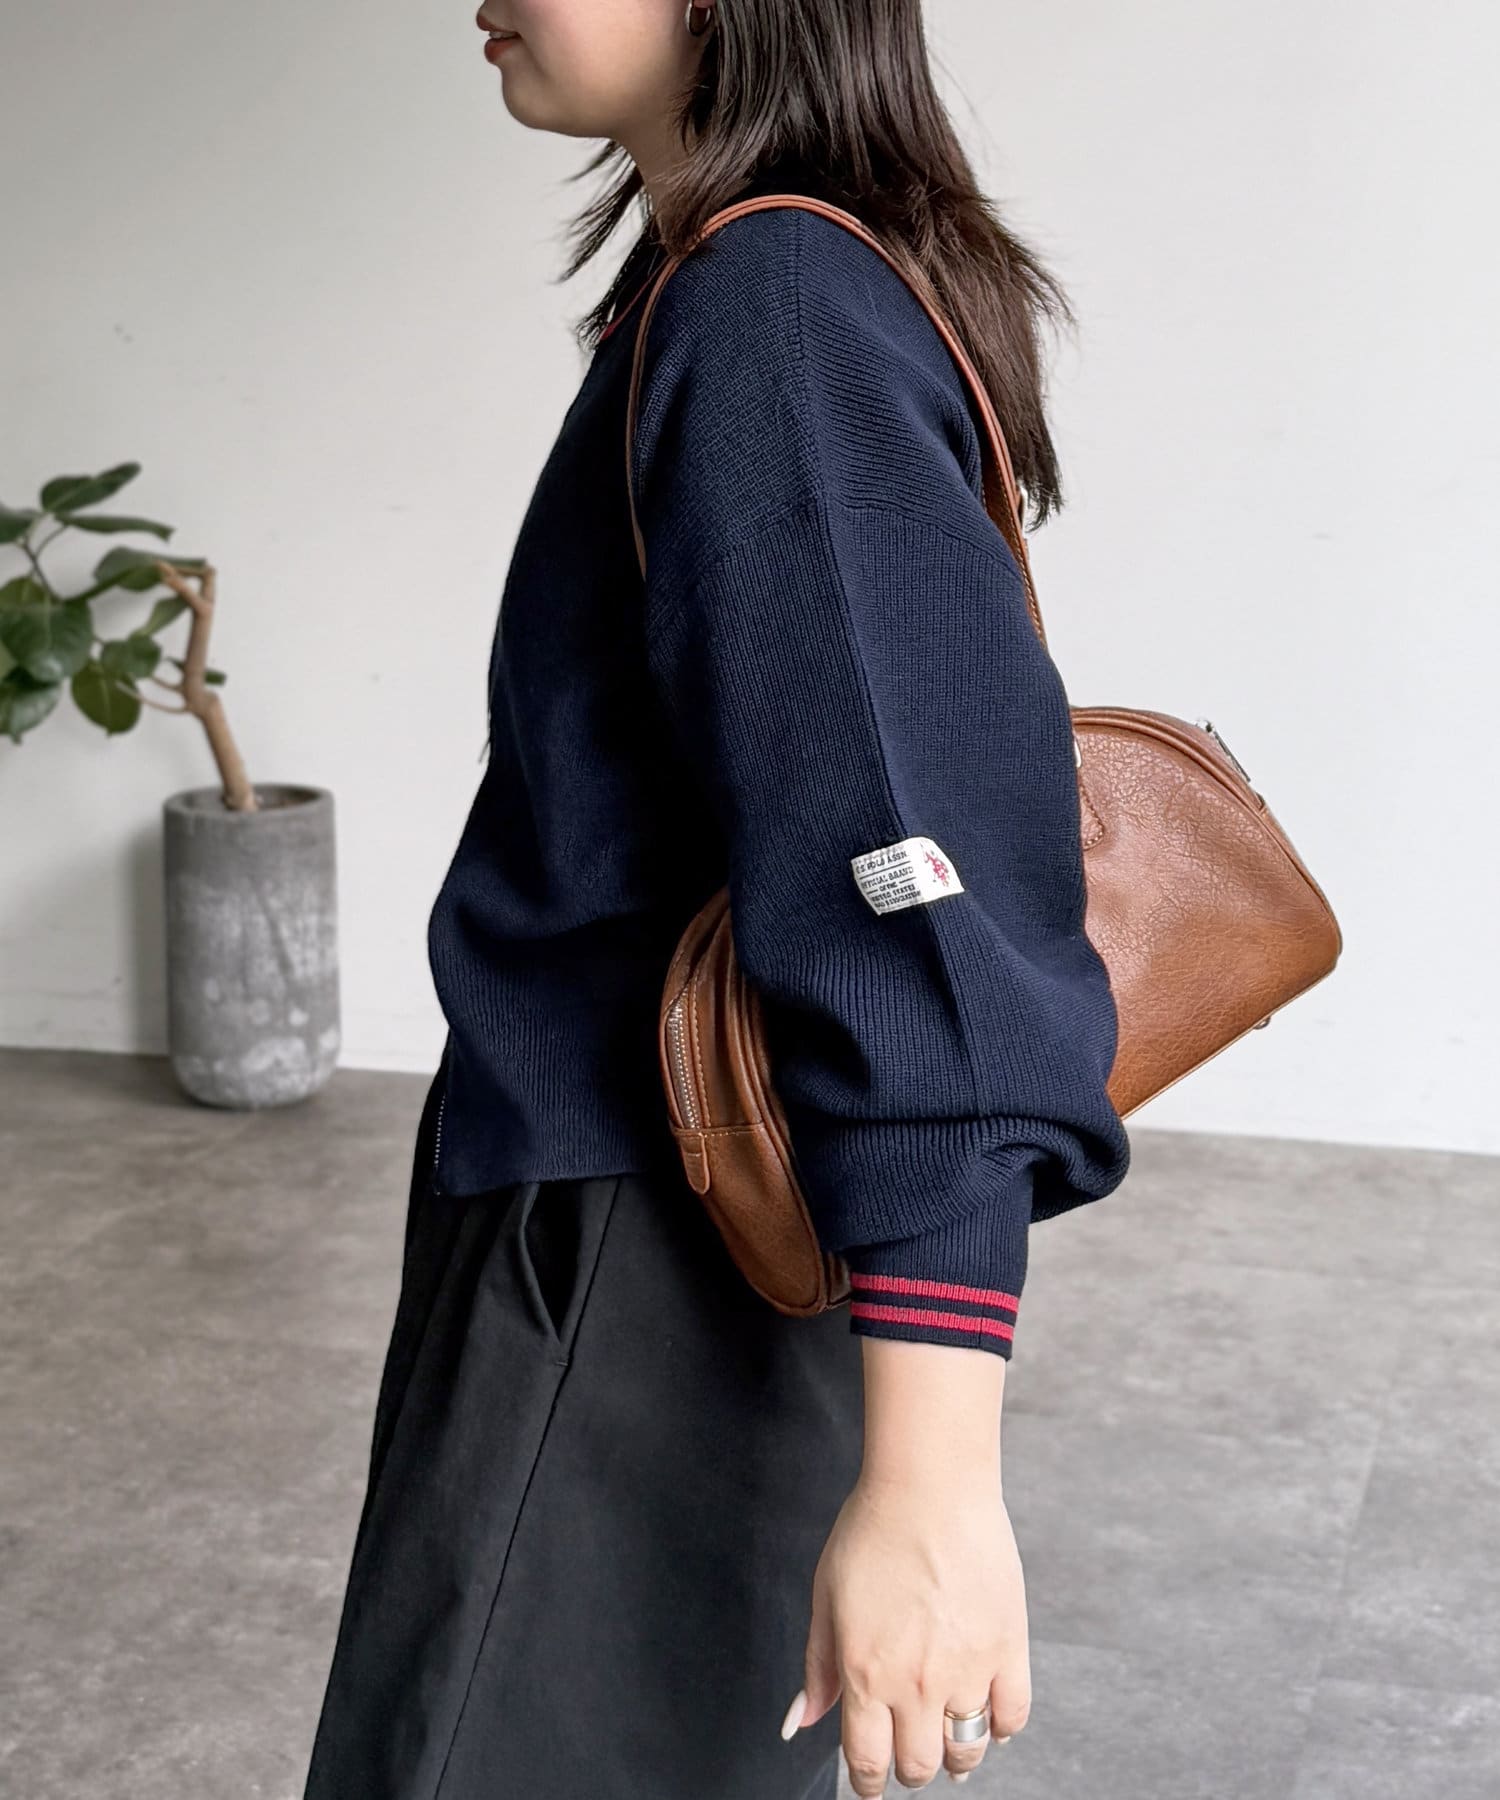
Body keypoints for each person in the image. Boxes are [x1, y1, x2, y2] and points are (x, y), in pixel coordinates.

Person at [301, 2, 1130, 1796]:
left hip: (641, 1259)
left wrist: (933, 1489)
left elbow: (905, 880)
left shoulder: (775, 309)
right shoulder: (754, 278)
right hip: (650, 1212)